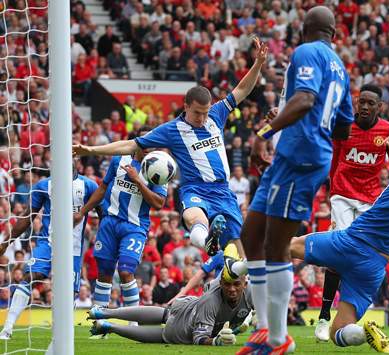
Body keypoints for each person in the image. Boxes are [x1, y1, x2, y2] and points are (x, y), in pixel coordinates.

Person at [73, 38, 268, 268]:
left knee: (239, 255)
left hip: (223, 191)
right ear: (186, 106)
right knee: (194, 218)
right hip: (195, 188)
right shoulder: (171, 130)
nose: (203, 118)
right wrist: (91, 150)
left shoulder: (216, 115)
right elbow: (131, 145)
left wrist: (258, 64)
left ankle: (238, 275)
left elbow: (242, 90)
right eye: (197, 113)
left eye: (205, 112)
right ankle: (207, 241)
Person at [238, 6, 354, 354]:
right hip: (296, 152)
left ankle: (277, 339)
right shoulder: (341, 68)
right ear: (333, 33)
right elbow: (345, 127)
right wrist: (302, 119)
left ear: (304, 29)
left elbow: (303, 99)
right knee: (252, 234)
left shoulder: (306, 52)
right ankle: (264, 329)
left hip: (301, 154)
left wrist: (265, 131)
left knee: (276, 244)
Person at [289, 137, 389, 353]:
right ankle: (364, 333)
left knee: (289, 246)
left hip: (352, 244)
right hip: (374, 267)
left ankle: (238, 269)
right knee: (338, 332)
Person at [314, 83, 389, 342]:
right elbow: (335, 159)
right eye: (361, 101)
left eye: (370, 103)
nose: (364, 106)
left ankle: (349, 313)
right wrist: (332, 189)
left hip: (370, 199)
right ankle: (323, 317)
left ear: (379, 107)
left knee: (362, 254)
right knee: (338, 249)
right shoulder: (343, 126)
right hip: (342, 194)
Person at [0, 166, 98, 339]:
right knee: (29, 275)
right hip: (47, 242)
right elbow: (28, 215)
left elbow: (104, 213)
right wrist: (6, 242)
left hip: (73, 247)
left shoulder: (89, 185)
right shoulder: (44, 185)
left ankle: (62, 332)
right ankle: (7, 328)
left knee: (69, 291)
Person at [75, 127, 166, 311]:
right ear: (138, 143)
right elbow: (102, 189)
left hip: (134, 226)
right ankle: (99, 321)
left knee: (125, 272)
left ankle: (134, 320)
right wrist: (82, 211)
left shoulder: (158, 169)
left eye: (153, 143)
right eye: (146, 142)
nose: (149, 147)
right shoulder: (119, 160)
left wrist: (138, 180)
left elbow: (158, 203)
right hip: (109, 222)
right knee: (105, 273)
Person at [88, 275, 253, 346]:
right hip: (186, 327)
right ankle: (110, 326)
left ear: (245, 284)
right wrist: (216, 342)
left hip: (188, 304)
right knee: (164, 335)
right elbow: (200, 339)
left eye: (236, 284)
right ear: (222, 284)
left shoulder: (251, 287)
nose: (232, 289)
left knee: (165, 313)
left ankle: (105, 312)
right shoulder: (211, 300)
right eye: (228, 284)